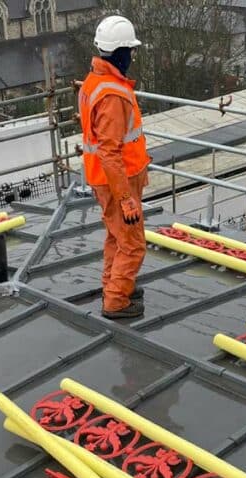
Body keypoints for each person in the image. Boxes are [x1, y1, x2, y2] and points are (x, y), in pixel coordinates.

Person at [80, 14, 151, 320]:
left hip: (105, 179)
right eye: (130, 51)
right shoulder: (112, 94)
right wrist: (126, 199)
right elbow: (111, 152)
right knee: (133, 244)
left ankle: (115, 284)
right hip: (118, 182)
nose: (132, 56)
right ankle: (117, 300)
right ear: (120, 53)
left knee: (116, 237)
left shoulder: (94, 82)